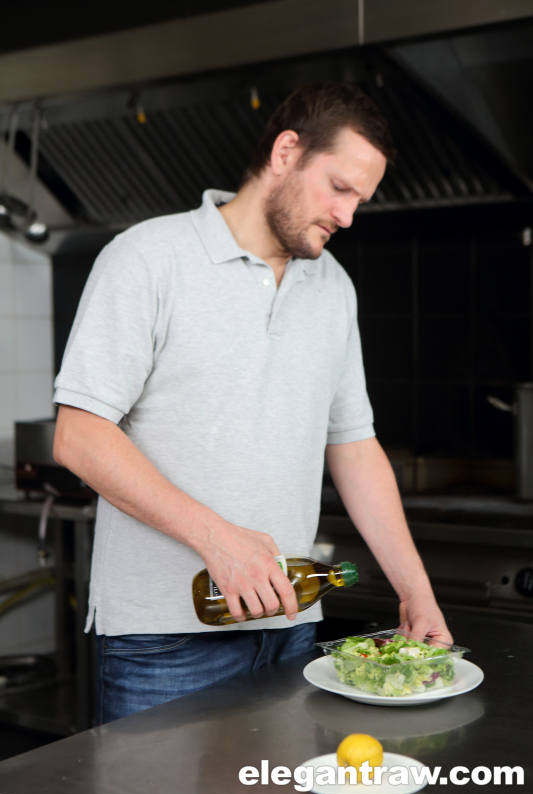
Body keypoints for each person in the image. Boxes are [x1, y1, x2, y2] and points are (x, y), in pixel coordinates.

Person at [53, 82, 451, 723]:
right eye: (339, 188)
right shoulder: (148, 258)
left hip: (292, 627)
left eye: (361, 200)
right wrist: (219, 540)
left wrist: (416, 592)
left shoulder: (333, 285)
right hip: (165, 638)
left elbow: (352, 445)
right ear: (287, 151)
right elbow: (78, 435)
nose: (348, 217)